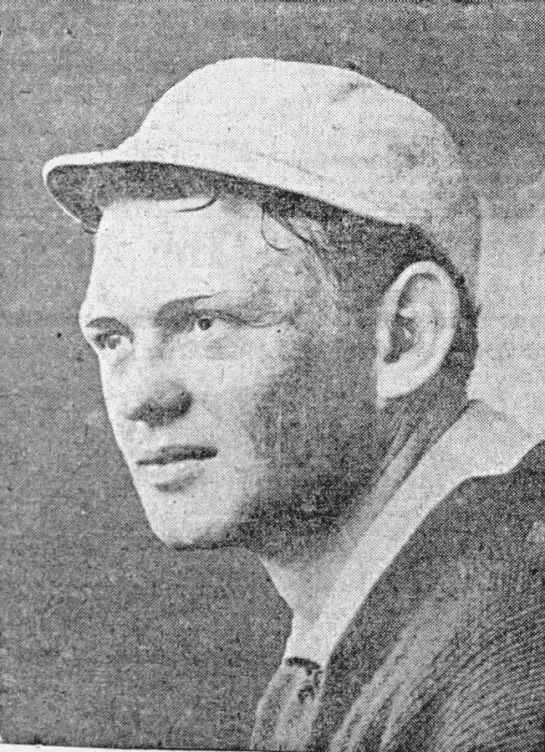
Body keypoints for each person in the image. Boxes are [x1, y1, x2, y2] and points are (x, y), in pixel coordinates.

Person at [43, 58, 545, 751]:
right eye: (112, 338)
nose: (142, 397)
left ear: (406, 336)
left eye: (205, 323)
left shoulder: (511, 643)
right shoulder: (375, 626)